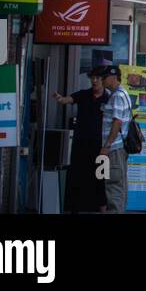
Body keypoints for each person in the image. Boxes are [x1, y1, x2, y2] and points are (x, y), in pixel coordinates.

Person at [54, 66, 110, 213]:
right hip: (81, 142)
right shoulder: (84, 94)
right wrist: (60, 99)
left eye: (97, 78)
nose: (94, 80)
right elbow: (68, 99)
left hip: (101, 145)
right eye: (92, 77)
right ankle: (74, 208)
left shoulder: (109, 98)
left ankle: (103, 208)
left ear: (103, 80)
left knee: (101, 177)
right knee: (78, 175)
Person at [98, 65, 133, 212]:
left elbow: (117, 122)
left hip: (114, 148)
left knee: (113, 186)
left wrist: (107, 146)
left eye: (104, 77)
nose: (102, 80)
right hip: (119, 148)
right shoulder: (123, 93)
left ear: (113, 77)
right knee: (119, 183)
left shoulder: (117, 96)